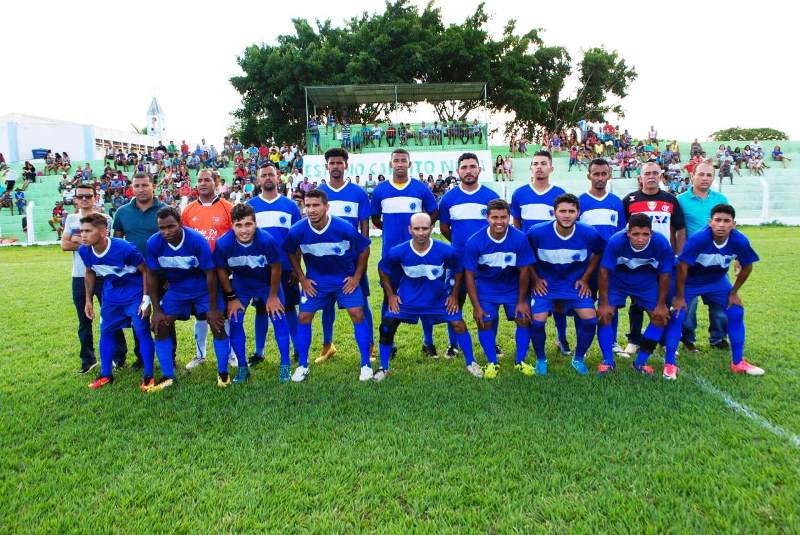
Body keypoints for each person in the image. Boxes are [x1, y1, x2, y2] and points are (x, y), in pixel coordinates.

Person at [375, 213, 484, 381]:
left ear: (432, 228)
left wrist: (454, 295)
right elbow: (383, 269)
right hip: (407, 300)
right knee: (387, 326)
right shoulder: (398, 251)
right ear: (410, 229)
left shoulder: (446, 251)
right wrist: (390, 295)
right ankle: (384, 367)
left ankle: (471, 363)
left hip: (437, 300)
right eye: (417, 228)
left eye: (425, 228)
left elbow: (459, 269)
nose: (421, 233)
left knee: (459, 324)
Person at [283, 189, 374, 382]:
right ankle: (303, 365)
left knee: (357, 313)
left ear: (326, 207)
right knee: (304, 316)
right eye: (308, 205)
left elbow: (364, 249)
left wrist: (356, 277)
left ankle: (366, 364)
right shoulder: (297, 230)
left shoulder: (343, 227)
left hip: (344, 280)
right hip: (316, 282)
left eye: (316, 205)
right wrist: (302, 278)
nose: (311, 210)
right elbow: (290, 252)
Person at [672, 204, 764, 376]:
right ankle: (669, 362)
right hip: (691, 281)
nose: (721, 225)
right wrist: (679, 295)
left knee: (736, 311)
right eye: (718, 220)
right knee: (677, 313)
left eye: (726, 221)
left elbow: (747, 266)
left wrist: (734, 292)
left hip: (717, 281)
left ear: (733, 224)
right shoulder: (699, 239)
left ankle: (738, 362)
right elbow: (682, 267)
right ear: (710, 222)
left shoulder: (740, 240)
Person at [145, 207, 231, 389]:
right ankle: (168, 376)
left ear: (180, 224)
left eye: (171, 226)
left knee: (217, 324)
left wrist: (213, 308)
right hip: (177, 289)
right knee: (161, 325)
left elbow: (210, 273)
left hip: (203, 288)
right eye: (162, 228)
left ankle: (223, 373)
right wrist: (157, 310)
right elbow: (151, 275)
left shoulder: (196, 240)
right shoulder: (153, 243)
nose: (166, 232)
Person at [370, 149, 440, 356]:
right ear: (391, 164)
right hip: (391, 254)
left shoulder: (420, 188)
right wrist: (391, 230)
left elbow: (434, 212)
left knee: (425, 295)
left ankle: (428, 342)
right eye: (396, 161)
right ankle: (388, 343)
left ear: (409, 164)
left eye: (403, 161)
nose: (400, 164)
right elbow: (375, 218)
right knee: (389, 296)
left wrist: (422, 231)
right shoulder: (380, 190)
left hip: (418, 253)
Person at [526, 194, 603, 375]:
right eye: (562, 211)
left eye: (571, 211)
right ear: (554, 212)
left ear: (578, 213)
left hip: (573, 284)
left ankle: (578, 358)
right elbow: (525, 255)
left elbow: (599, 253)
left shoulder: (589, 233)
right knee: (537, 323)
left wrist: (585, 278)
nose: (567, 215)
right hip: (547, 285)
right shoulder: (537, 232)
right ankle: (541, 359)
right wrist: (535, 279)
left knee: (591, 320)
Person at [214, 203, 291, 384]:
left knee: (279, 317)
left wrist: (273, 296)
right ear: (232, 225)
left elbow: (276, 268)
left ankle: (285, 364)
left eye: (248, 224)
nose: (244, 230)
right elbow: (221, 270)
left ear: (255, 223)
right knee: (235, 320)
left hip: (267, 284)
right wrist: (231, 298)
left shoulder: (267, 240)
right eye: (239, 225)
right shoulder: (223, 243)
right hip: (242, 285)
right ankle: (242, 367)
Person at [78, 214, 156, 391]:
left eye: (87, 231)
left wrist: (146, 299)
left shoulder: (124, 248)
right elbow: (90, 272)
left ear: (103, 232)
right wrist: (88, 300)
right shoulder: (84, 251)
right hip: (111, 295)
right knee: (105, 331)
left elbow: (146, 271)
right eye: (81, 231)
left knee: (141, 331)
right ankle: (106, 374)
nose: (83, 235)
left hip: (134, 293)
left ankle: (148, 375)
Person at [596, 213, 677, 378]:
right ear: (628, 233)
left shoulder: (661, 243)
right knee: (604, 315)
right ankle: (608, 362)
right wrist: (603, 303)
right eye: (636, 234)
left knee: (660, 318)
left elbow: (665, 274)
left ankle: (640, 363)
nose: (640, 239)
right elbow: (603, 272)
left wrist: (661, 304)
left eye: (645, 234)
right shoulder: (616, 241)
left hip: (646, 283)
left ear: (651, 233)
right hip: (618, 282)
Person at [464, 199, 536, 378]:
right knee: (484, 321)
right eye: (494, 217)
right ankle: (492, 362)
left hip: (513, 287)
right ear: (487, 218)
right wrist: (476, 307)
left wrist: (522, 301)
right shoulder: (475, 241)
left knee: (524, 318)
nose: (499, 221)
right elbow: (469, 276)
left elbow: (525, 271)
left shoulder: (519, 238)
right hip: (487, 288)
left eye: (503, 217)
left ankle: (520, 361)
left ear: (509, 217)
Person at [438, 152, 500, 359]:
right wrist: (460, 247)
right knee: (454, 300)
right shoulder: (448, 198)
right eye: (464, 167)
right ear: (458, 171)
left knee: (488, 302)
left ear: (479, 169)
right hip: (457, 261)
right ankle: (453, 344)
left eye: (472, 166)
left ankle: (492, 342)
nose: (468, 171)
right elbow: (445, 228)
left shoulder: (491, 196)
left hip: (486, 262)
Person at [621, 161, 686, 356]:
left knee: (664, 299)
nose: (651, 176)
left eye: (655, 173)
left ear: (661, 176)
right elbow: (623, 230)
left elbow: (680, 228)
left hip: (663, 258)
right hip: (637, 260)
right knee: (636, 302)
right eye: (647, 173)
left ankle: (665, 341)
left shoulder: (671, 200)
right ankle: (634, 340)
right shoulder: (629, 200)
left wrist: (678, 254)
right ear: (640, 177)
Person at [510, 150, 572, 354]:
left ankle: (562, 338)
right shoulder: (519, 193)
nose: (539, 167)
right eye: (535, 163)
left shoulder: (559, 194)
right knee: (529, 298)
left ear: (551, 168)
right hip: (529, 256)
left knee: (558, 299)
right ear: (531, 167)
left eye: (543, 163)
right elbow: (517, 223)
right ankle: (529, 340)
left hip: (554, 256)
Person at [316, 148, 373, 364]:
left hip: (351, 261)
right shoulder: (319, 193)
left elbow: (364, 227)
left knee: (362, 302)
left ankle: (370, 345)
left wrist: (362, 255)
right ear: (327, 166)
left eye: (339, 163)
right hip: (325, 260)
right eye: (332, 163)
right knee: (326, 304)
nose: (336, 166)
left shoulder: (358, 193)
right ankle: (327, 345)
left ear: (346, 165)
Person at [62, 183, 126, 373]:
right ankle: (88, 360)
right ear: (75, 199)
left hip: (103, 274)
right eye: (80, 196)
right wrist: (87, 243)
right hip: (79, 275)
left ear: (95, 197)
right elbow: (64, 245)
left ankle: (118, 357)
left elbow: (105, 245)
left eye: (88, 196)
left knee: (112, 317)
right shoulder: (71, 219)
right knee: (84, 320)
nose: (84, 199)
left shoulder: (104, 218)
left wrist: (77, 240)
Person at [247, 163, 303, 364]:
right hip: (260, 269)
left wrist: (296, 267)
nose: (268, 178)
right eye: (264, 175)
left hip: (286, 266)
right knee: (261, 309)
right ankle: (259, 352)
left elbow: (297, 240)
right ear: (258, 180)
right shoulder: (251, 206)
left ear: (278, 178)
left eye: (271, 174)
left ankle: (297, 348)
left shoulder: (290, 206)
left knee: (289, 307)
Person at [181, 170, 234, 371]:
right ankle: (200, 355)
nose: (202, 183)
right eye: (200, 180)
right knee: (200, 314)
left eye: (207, 180)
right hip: (196, 272)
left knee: (224, 313)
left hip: (222, 270)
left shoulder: (228, 208)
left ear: (216, 182)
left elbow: (235, 238)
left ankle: (230, 355)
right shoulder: (188, 210)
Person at [677, 162, 730, 353]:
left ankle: (718, 338)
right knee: (688, 304)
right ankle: (688, 339)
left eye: (709, 175)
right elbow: (678, 229)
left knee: (720, 302)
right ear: (693, 176)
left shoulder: (721, 199)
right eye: (701, 174)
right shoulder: (681, 200)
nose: (705, 178)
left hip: (716, 260)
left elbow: (729, 226)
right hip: (692, 261)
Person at [578, 158, 627, 356]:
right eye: (596, 174)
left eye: (603, 174)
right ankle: (583, 344)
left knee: (610, 303)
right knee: (584, 304)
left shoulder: (616, 202)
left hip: (610, 264)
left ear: (609, 175)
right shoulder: (580, 201)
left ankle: (612, 341)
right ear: (588, 176)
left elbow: (621, 233)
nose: (599, 178)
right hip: (587, 265)